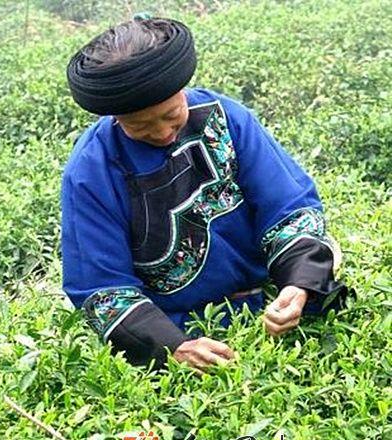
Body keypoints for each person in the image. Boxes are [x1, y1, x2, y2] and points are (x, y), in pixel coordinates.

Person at [61, 17, 347, 373]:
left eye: (171, 115)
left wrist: (297, 286)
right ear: (116, 119)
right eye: (141, 127)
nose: (164, 133)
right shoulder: (91, 169)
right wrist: (173, 347)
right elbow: (101, 287)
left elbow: (289, 207)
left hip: (269, 303)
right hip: (178, 325)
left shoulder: (226, 119)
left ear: (183, 88)